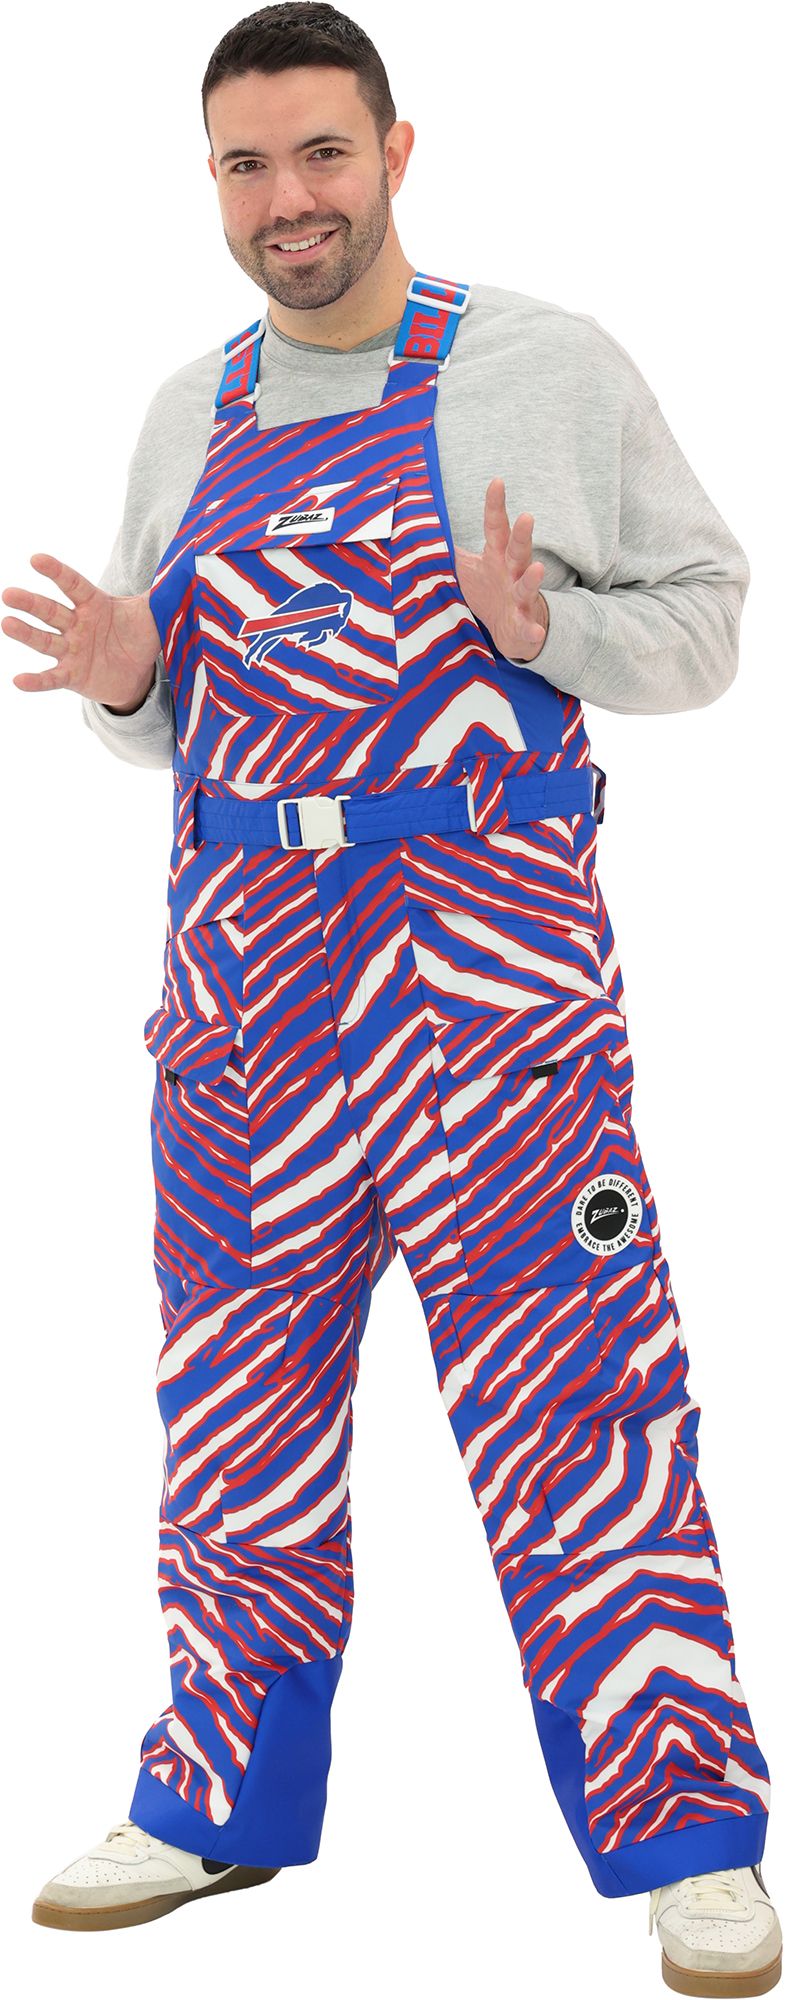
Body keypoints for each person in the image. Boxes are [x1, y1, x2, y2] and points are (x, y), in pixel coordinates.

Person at [4, 4, 779, 1988]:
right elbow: (158, 718)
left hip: (493, 1000)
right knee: (234, 1413)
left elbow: (708, 624)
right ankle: (214, 1802)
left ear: (395, 153)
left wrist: (554, 625)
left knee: (581, 1403)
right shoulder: (186, 412)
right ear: (214, 183)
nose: (290, 198)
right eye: (247, 164)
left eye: (321, 154)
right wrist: (124, 682)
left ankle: (690, 1833)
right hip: (243, 1005)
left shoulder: (546, 365)